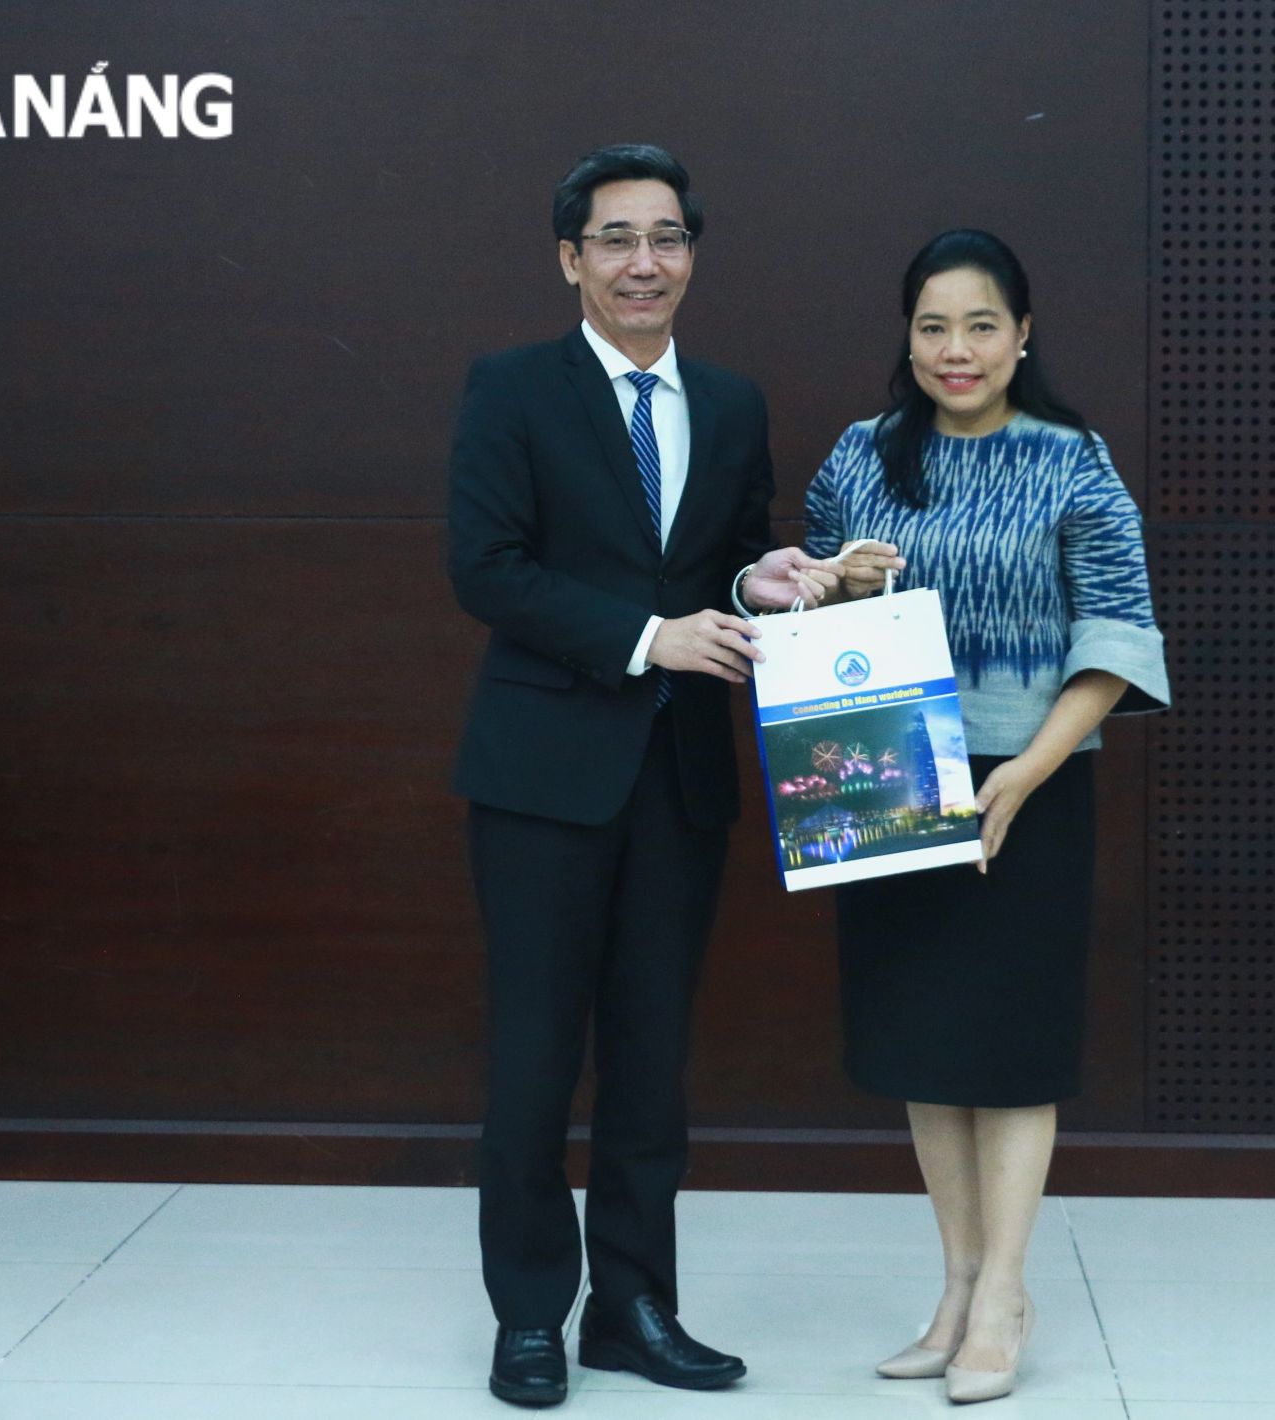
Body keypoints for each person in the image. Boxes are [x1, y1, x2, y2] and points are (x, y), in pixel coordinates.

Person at [446, 143, 835, 1409]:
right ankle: (526, 1318)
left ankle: (631, 1307)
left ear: (690, 257)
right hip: (540, 777)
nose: (643, 262)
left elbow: (722, 566)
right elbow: (486, 569)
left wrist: (755, 588)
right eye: (615, 238)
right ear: (570, 258)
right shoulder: (509, 389)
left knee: (652, 1061)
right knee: (532, 1062)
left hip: (677, 780)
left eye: (666, 238)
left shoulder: (727, 403)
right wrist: (644, 638)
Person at [801, 229, 1169, 1404]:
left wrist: (1024, 772)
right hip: (887, 765)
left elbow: (1114, 634)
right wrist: (836, 581)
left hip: (1027, 778)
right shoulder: (860, 457)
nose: (953, 349)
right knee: (925, 1040)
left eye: (978, 325)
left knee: (1007, 1051)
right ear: (904, 337)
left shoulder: (1072, 460)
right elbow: (797, 595)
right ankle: (954, 1286)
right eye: (929, 326)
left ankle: (1004, 1292)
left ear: (1022, 336)